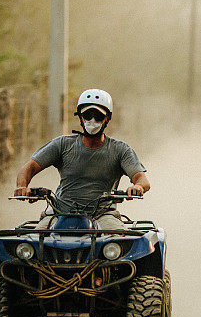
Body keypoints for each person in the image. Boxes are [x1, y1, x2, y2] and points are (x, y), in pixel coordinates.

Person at [14, 89, 150, 230]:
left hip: (103, 215)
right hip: (59, 213)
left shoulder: (120, 150)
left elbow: (142, 179)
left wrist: (137, 187)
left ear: (107, 118)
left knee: (118, 242)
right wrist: (21, 187)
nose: (92, 121)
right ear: (80, 117)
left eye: (98, 116)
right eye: (87, 115)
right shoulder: (62, 144)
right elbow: (29, 168)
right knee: (35, 241)